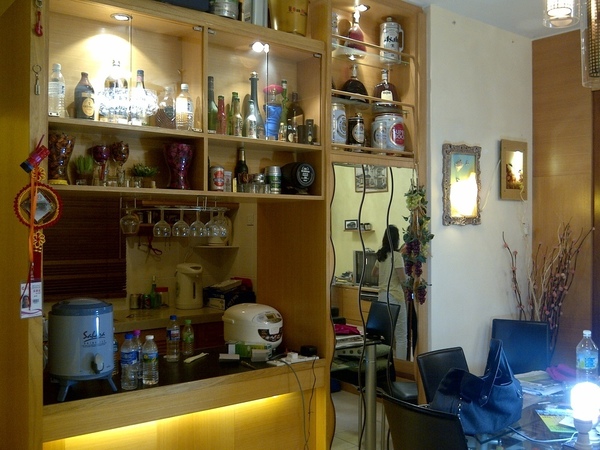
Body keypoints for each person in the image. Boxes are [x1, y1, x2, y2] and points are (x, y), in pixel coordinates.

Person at [371, 225, 408, 360]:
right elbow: (403, 280)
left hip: (382, 297)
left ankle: (386, 362)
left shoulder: (382, 256)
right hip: (394, 296)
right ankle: (401, 366)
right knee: (401, 335)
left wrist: (386, 274)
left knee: (386, 334)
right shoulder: (397, 256)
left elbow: (373, 273)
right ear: (397, 239)